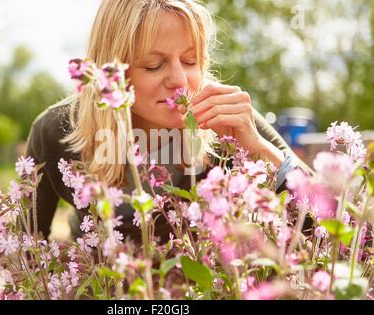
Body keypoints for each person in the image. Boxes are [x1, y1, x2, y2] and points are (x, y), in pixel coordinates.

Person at [25, 0, 310, 241]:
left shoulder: (226, 119)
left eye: (190, 61)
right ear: (112, 72)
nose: (180, 81)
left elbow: (329, 228)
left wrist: (259, 150)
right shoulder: (55, 132)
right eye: (154, 65)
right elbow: (26, 250)